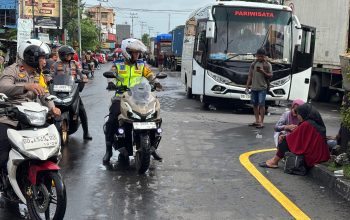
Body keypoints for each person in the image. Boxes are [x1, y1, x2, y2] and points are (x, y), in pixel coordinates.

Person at [0, 40, 61, 171]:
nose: (45, 62)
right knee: (3, 153)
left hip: (31, 118)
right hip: (10, 117)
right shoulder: (13, 70)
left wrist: (52, 107)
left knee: (49, 144)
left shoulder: (38, 74)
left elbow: (44, 93)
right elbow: (3, 87)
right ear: (32, 59)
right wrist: (25, 86)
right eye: (42, 58)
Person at [103, 38, 163, 165]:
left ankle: (152, 148)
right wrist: (112, 84)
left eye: (138, 53)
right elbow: (111, 76)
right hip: (122, 96)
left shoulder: (141, 65)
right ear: (127, 52)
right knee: (112, 119)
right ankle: (108, 150)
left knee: (155, 116)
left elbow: (150, 75)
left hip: (140, 96)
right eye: (134, 52)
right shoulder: (118, 64)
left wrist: (156, 82)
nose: (137, 55)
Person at [259, 103, 330, 168]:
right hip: (321, 155)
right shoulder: (315, 123)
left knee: (285, 142)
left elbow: (292, 139)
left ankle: (274, 161)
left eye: (298, 114)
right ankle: (274, 160)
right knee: (286, 139)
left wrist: (285, 137)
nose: (297, 116)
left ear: (303, 114)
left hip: (313, 156)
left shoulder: (307, 124)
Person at [51, 45, 92, 140]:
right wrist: (48, 79)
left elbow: (81, 73)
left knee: (81, 110)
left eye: (70, 55)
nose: (70, 56)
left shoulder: (75, 64)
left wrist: (84, 78)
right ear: (62, 55)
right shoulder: (55, 65)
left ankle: (86, 132)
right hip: (58, 90)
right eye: (68, 55)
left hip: (72, 89)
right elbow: (50, 75)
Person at [245, 48, 272, 129]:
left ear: (264, 56)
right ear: (256, 56)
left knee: (261, 104)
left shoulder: (268, 65)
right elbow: (250, 75)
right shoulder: (253, 64)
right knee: (254, 105)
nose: (259, 58)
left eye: (261, 56)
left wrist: (263, 71)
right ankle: (257, 121)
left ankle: (261, 122)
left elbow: (270, 75)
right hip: (254, 88)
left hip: (262, 88)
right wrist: (247, 86)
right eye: (258, 56)